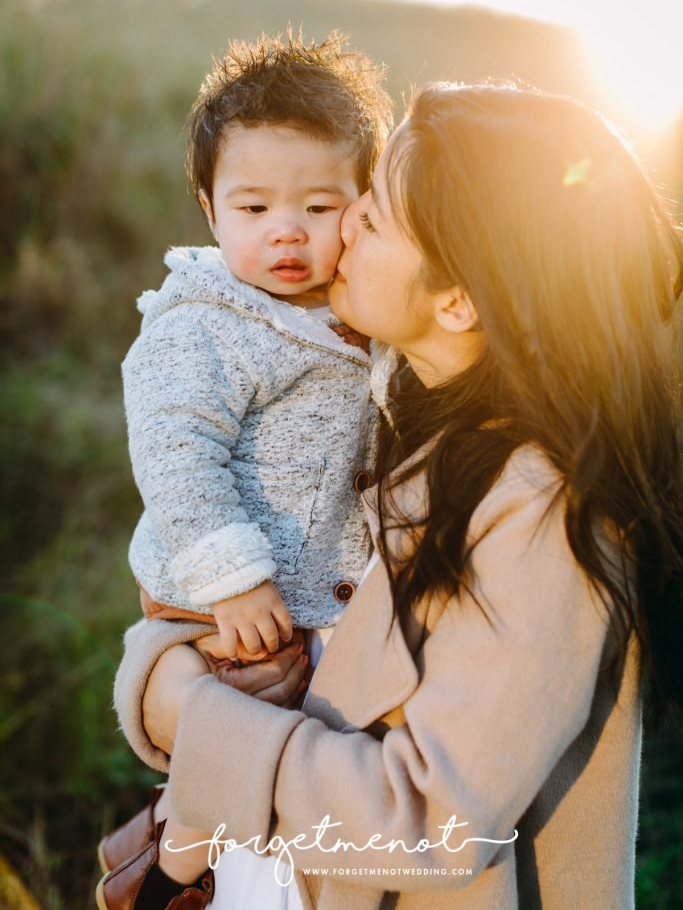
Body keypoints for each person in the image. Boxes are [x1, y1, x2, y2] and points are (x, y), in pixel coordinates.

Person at [113, 82, 683, 910]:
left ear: (458, 298)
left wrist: (190, 719)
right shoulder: (393, 410)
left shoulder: (545, 509)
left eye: (371, 216)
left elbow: (433, 823)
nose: (337, 227)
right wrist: (168, 658)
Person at [97, 31, 393, 909]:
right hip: (229, 599)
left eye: (319, 205)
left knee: (286, 785)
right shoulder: (203, 323)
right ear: (209, 208)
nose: (287, 233)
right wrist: (230, 578)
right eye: (254, 208)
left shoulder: (355, 314)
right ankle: (172, 855)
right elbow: (177, 455)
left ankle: (188, 841)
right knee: (244, 748)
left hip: (316, 610)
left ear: (365, 205)